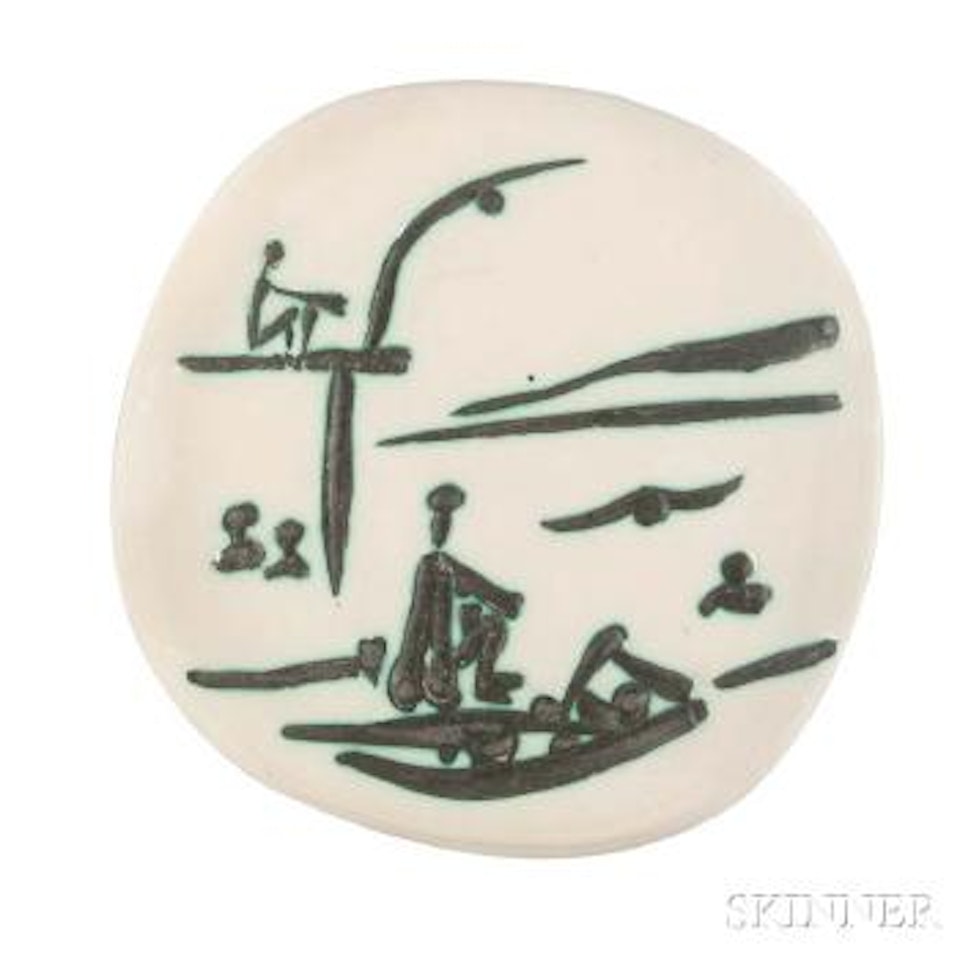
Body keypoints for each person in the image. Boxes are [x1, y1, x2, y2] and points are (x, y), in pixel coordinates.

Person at [388, 484, 524, 713]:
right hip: (431, 666)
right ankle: (501, 602)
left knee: (429, 622)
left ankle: (500, 601)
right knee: (437, 625)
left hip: (422, 669)